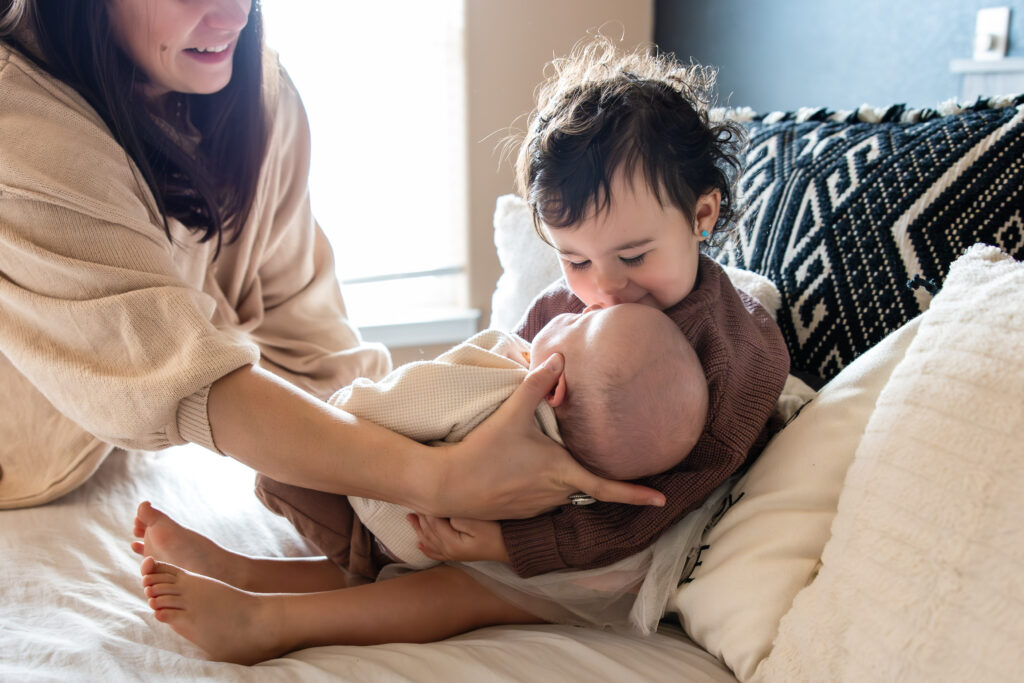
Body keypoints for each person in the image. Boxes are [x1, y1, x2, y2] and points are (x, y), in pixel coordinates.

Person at [0, 2, 663, 516]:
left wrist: (441, 441)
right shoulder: (20, 125)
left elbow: (314, 348)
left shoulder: (256, 95)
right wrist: (441, 481)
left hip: (89, 458)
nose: (232, 16)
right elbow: (186, 378)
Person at [407, 34, 792, 577]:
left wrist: (509, 544)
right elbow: (496, 387)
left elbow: (658, 509)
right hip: (517, 498)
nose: (605, 289)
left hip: (618, 546)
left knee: (452, 596)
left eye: (633, 255)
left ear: (702, 215)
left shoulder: (735, 359)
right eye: (576, 260)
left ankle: (280, 620)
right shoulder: (561, 309)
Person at [133, 303, 712, 662]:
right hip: (452, 544)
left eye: (584, 322)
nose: (580, 304)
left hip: (396, 526)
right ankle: (243, 572)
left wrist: (340, 409)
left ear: (552, 384)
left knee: (442, 589)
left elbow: (388, 401)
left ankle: (263, 621)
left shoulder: (500, 384)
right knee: (437, 578)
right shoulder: (608, 464)